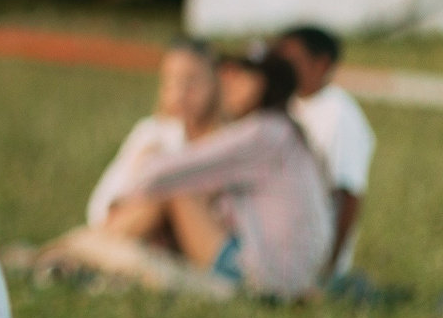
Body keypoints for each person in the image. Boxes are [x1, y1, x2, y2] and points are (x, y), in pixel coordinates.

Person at [91, 44, 333, 300]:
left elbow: (163, 172)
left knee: (174, 192)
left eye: (241, 77)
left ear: (266, 84)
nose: (228, 85)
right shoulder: (284, 131)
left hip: (266, 280)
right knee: (181, 195)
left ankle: (87, 252)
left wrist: (130, 190)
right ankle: (91, 252)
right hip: (287, 275)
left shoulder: (263, 134)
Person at [84, 38, 221, 227]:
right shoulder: (153, 133)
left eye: (191, 81)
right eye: (171, 82)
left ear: (215, 81)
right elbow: (104, 204)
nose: (179, 94)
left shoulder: (228, 139)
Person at [277, 24, 374, 279]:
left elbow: (349, 195)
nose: (282, 68)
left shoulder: (340, 114)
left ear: (321, 63)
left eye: (292, 60)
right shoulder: (285, 104)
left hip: (314, 246)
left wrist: (329, 267)